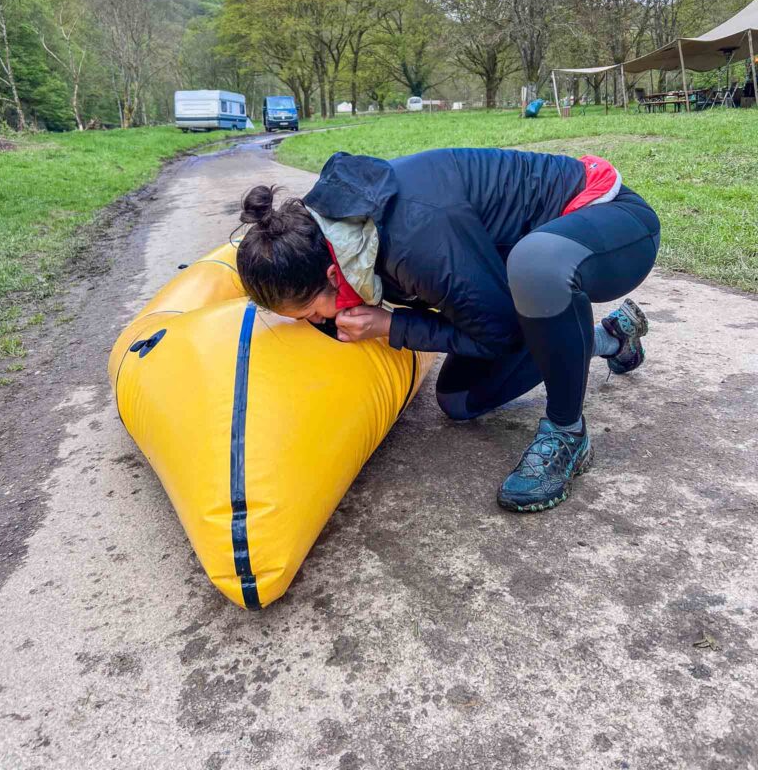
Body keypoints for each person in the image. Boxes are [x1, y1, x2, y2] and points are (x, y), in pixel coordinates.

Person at [235, 148, 660, 513]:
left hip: (609, 221)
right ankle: (610, 337)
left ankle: (568, 433)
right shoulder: (338, 231)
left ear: (331, 273)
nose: (318, 321)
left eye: (311, 311)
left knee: (535, 264)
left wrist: (392, 325)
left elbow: (499, 336)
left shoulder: (413, 241)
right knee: (458, 400)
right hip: (530, 267)